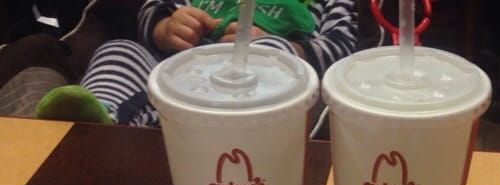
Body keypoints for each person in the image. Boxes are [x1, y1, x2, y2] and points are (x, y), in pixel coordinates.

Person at [36, 0, 357, 125]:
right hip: (173, 81)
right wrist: (166, 27)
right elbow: (154, 8)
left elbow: (341, 49)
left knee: (270, 52)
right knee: (119, 50)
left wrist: (283, 49)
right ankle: (97, 121)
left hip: (256, 112)